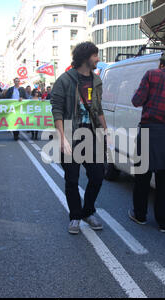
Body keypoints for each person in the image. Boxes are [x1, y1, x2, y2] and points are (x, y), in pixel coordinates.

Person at [128, 50, 165, 233]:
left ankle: (140, 215)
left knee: (142, 178)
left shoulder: (151, 75)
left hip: (149, 130)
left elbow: (136, 101)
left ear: (161, 63)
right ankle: (163, 223)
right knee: (164, 181)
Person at [51, 41, 108, 235]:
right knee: (72, 179)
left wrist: (104, 132)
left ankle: (88, 211)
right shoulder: (65, 80)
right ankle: (75, 216)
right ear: (85, 57)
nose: (98, 59)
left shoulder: (97, 81)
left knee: (98, 175)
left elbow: (98, 109)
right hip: (70, 133)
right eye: (95, 55)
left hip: (91, 133)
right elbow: (57, 110)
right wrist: (62, 138)